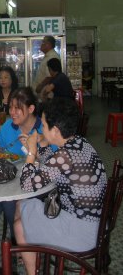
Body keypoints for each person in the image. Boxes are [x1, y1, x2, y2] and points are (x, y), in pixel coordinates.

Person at [14, 98, 107, 275]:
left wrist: (32, 151)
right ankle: (29, 248)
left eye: (43, 124)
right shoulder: (80, 142)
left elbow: (27, 184)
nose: (41, 128)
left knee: (19, 223)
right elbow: (53, 166)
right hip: (96, 224)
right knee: (23, 205)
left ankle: (30, 261)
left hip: (80, 233)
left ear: (55, 130)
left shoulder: (65, 155)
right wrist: (42, 144)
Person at [0, 87, 48, 241]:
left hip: (36, 183)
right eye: (11, 107)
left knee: (9, 203)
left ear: (31, 108)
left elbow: (51, 162)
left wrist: (32, 150)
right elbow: (1, 149)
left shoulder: (44, 128)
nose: (12, 112)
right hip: (10, 179)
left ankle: (17, 242)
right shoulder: (8, 126)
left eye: (17, 108)